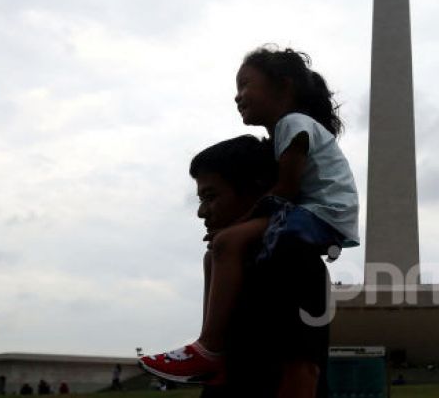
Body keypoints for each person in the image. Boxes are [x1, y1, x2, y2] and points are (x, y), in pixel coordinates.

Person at [141, 47, 358, 387]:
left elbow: (284, 189)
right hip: (312, 214)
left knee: (227, 242)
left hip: (319, 216)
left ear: (283, 87)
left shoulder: (293, 124)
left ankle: (210, 349)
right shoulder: (287, 131)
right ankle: (213, 347)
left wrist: (241, 223)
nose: (237, 96)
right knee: (216, 253)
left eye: (245, 85)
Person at [192, 135, 331, 396]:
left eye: (210, 196)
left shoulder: (293, 259)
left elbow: (301, 376)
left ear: (257, 192)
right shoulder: (220, 262)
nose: (201, 212)